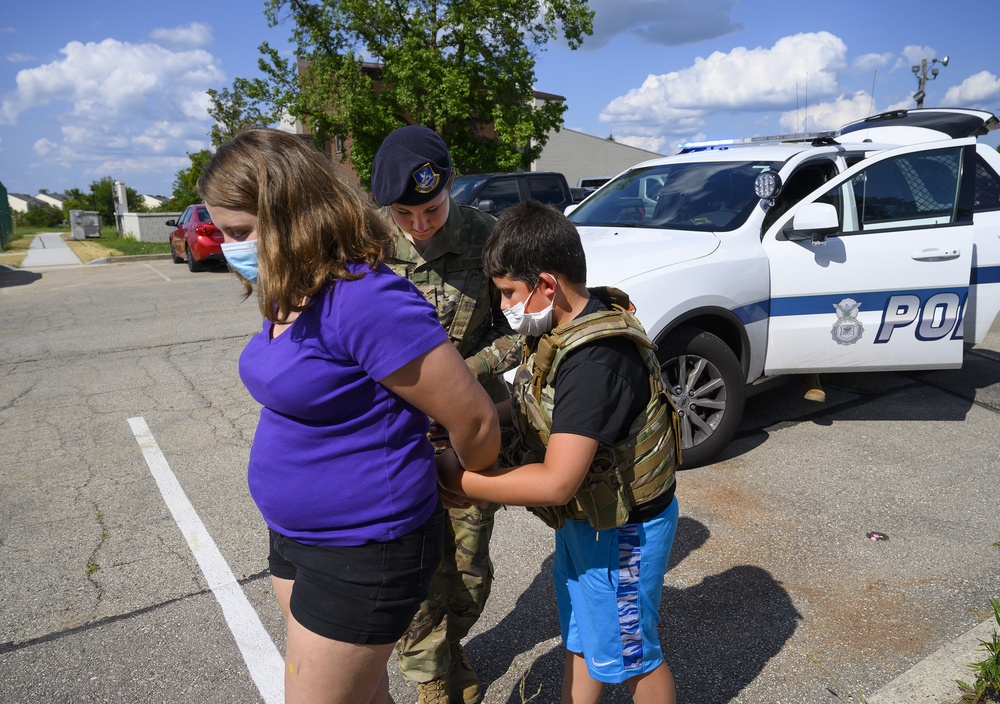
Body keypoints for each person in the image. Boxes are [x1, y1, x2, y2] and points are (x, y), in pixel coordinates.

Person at [198, 128, 501, 704]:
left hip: (363, 547)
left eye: (239, 232)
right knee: (362, 694)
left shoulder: (363, 297)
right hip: (298, 537)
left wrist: (454, 471)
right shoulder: (292, 285)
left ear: (292, 217)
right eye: (222, 231)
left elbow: (478, 422)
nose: (227, 246)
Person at [437, 200, 682, 704]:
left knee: (633, 657)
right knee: (585, 639)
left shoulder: (596, 359)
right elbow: (540, 407)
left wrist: (461, 483)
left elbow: (557, 481)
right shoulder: (558, 327)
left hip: (623, 533)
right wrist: (465, 422)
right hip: (588, 523)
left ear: (547, 285)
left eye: (508, 292)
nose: (504, 304)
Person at [370, 125, 520, 704]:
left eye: (429, 209)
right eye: (404, 213)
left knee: (467, 572)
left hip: (466, 431)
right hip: (395, 440)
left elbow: (520, 335)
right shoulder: (368, 246)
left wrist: (468, 373)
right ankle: (430, 679)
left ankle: (450, 644)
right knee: (412, 572)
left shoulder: (486, 240)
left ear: (450, 185)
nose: (418, 225)